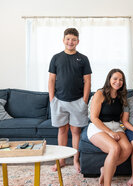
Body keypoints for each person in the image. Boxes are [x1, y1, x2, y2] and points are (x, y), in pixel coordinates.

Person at [48, 28, 92, 173]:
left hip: (78, 101)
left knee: (75, 131)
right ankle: (61, 161)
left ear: (77, 41)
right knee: (62, 130)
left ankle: (75, 160)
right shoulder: (56, 58)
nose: (70, 42)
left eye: (73, 39)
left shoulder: (83, 58)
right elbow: (52, 79)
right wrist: (52, 99)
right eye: (68, 39)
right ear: (63, 40)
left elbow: (87, 81)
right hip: (59, 101)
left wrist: (85, 101)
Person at [88, 69, 132, 186]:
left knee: (128, 148)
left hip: (116, 126)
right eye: (115, 79)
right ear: (109, 79)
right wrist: (109, 132)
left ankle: (105, 169)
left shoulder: (121, 96)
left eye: (121, 79)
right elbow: (94, 118)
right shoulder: (99, 94)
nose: (118, 82)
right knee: (115, 149)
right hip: (99, 127)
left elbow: (121, 118)